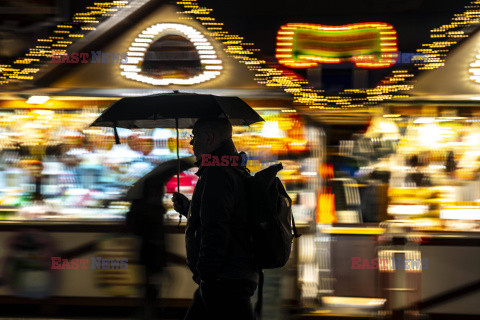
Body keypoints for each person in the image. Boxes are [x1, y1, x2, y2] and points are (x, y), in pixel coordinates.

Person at [173, 118, 257, 320]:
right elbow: (228, 216)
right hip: (232, 274)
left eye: (195, 136)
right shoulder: (232, 166)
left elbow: (216, 228)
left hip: (224, 279)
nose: (192, 143)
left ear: (210, 137)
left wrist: (206, 274)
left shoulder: (217, 173)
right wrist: (189, 209)